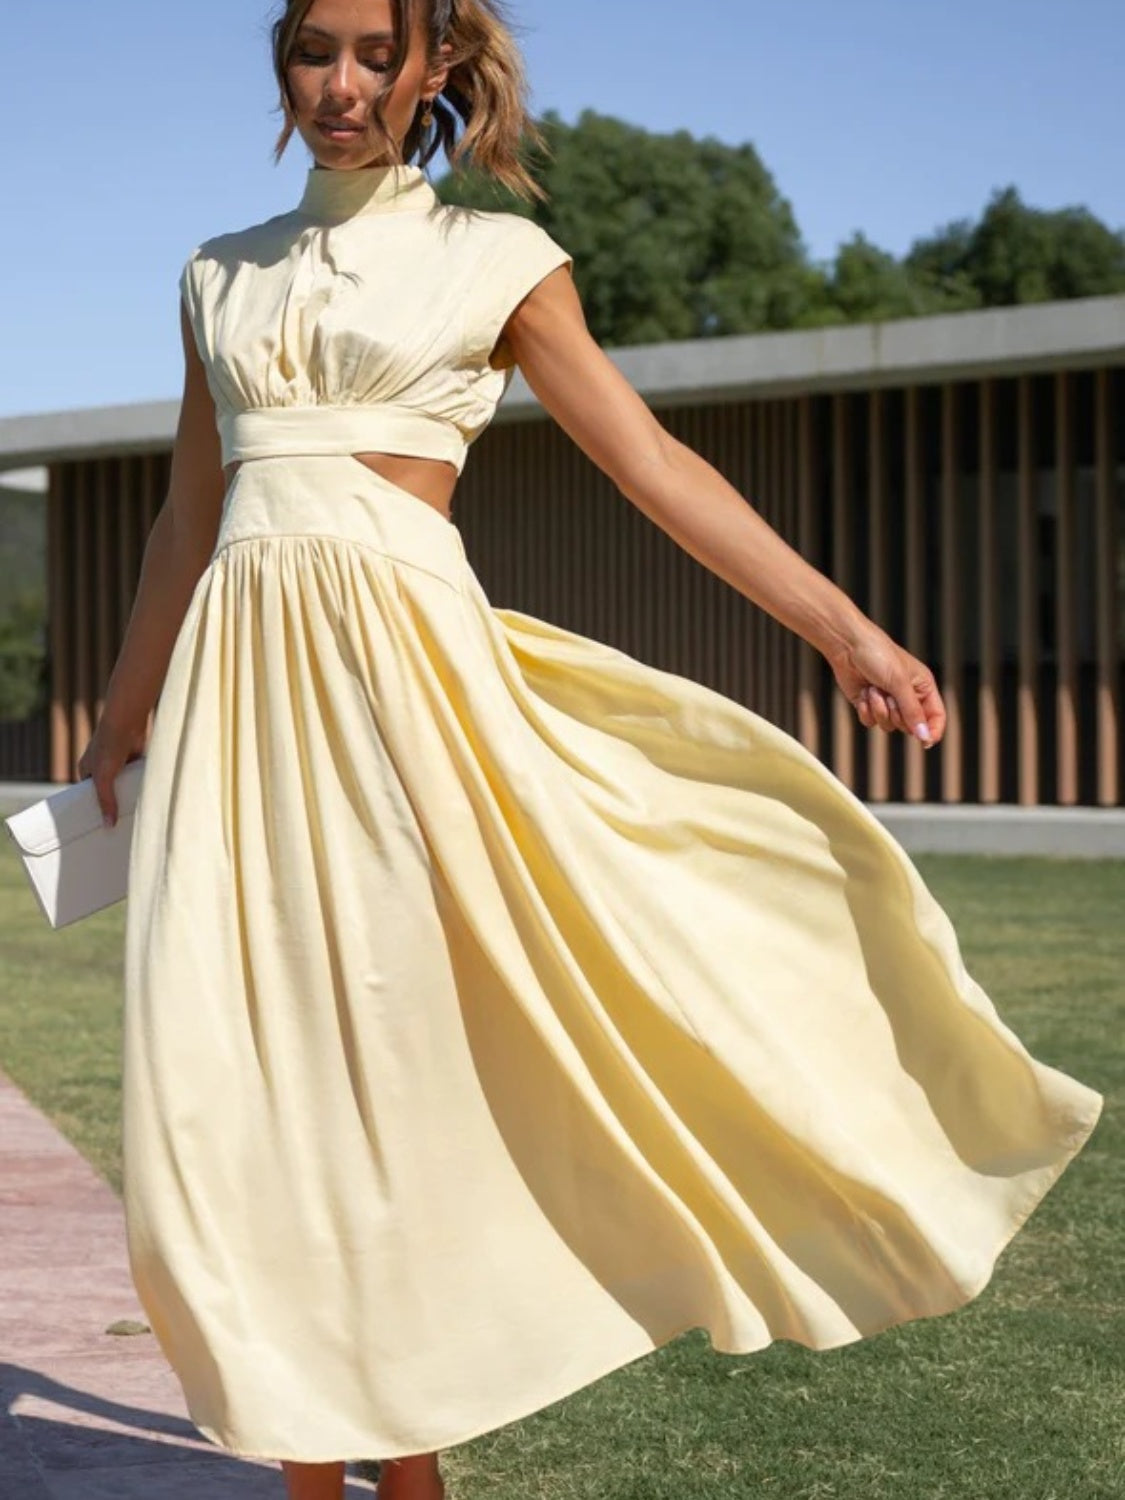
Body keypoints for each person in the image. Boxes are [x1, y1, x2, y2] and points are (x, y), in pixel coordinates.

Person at [76, 2, 1104, 1498]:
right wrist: (121, 712)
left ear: (434, 71)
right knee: (245, 1082)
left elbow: (648, 461)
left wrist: (845, 629)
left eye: (378, 53)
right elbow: (186, 510)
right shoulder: (215, 273)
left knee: (406, 1074)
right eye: (314, 50)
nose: (343, 83)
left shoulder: (496, 257)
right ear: (280, 68)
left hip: (410, 698)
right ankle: (333, 1461)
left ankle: (406, 1447)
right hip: (244, 700)